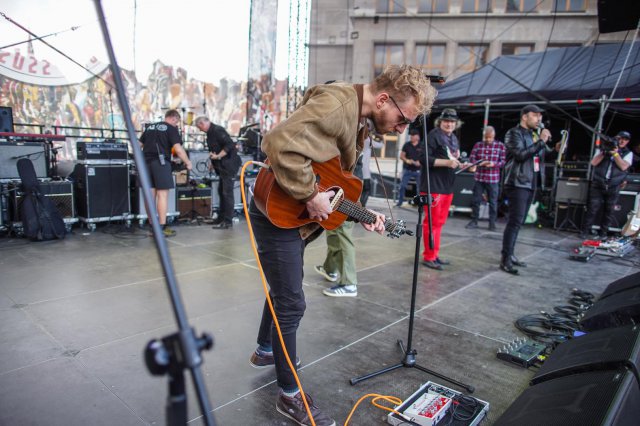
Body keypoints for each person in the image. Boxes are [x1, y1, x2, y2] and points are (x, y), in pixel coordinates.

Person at [248, 65, 436, 426]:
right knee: (291, 301)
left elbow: (329, 176)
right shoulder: (339, 104)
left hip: (291, 215)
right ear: (383, 99)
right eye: (401, 119)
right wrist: (309, 194)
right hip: (277, 208)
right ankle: (289, 397)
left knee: (283, 289)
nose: (401, 129)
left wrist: (362, 213)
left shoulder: (359, 118)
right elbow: (277, 144)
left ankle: (266, 349)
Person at [500, 105, 551, 275]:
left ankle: (511, 254)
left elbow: (541, 153)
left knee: (519, 221)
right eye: (535, 116)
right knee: (514, 221)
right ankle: (505, 259)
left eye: (540, 116)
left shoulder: (533, 134)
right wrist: (541, 141)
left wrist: (554, 147)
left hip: (530, 182)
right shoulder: (514, 133)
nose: (539, 119)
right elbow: (521, 155)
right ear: (524, 117)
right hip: (517, 182)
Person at [419, 108, 462, 271]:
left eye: (452, 121)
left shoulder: (453, 138)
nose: (449, 124)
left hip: (447, 186)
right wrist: (447, 163)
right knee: (431, 223)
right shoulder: (433, 135)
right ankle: (429, 256)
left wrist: (463, 164)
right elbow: (423, 159)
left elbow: (454, 159)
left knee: (439, 223)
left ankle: (434, 254)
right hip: (433, 186)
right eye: (446, 121)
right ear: (441, 121)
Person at [139, 109, 192, 237]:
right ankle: (161, 228)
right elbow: (178, 149)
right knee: (162, 195)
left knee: (150, 196)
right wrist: (187, 162)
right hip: (161, 163)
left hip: (145, 164)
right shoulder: (171, 128)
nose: (176, 125)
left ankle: (153, 227)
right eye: (177, 122)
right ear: (174, 118)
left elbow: (139, 144)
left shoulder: (150, 127)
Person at [581, 131, 632, 239]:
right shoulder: (603, 149)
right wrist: (604, 151)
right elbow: (593, 163)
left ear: (628, 142)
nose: (622, 141)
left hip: (614, 185)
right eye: (621, 138)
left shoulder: (628, 153)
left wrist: (615, 153)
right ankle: (585, 231)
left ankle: (603, 233)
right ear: (617, 138)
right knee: (592, 208)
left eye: (626, 139)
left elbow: (623, 166)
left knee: (609, 211)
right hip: (598, 183)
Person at [195, 116, 241, 229]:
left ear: (202, 123)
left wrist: (218, 156)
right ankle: (220, 218)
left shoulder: (217, 130)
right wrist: (212, 162)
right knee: (221, 191)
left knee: (227, 193)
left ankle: (228, 221)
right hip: (221, 166)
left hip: (229, 165)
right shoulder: (209, 133)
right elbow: (214, 148)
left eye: (199, 127)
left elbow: (230, 144)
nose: (199, 130)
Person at [465, 126, 506, 231]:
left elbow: (503, 162)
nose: (488, 140)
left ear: (494, 136)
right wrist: (479, 163)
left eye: (490, 138)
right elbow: (472, 158)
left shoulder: (500, 146)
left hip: (493, 179)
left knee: (493, 202)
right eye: (486, 137)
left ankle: (492, 224)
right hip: (479, 177)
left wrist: (493, 164)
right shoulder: (478, 145)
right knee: (476, 200)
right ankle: (474, 221)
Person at [396, 128, 423, 206]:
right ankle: (400, 202)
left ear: (417, 136)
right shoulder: (407, 145)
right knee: (402, 186)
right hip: (408, 170)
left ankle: (419, 203)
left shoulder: (422, 145)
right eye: (411, 135)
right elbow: (401, 156)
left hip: (418, 170)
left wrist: (420, 162)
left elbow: (426, 157)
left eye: (413, 135)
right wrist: (407, 160)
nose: (411, 137)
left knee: (420, 188)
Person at [359, 125, 385, 206]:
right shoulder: (367, 141)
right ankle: (362, 207)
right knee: (366, 189)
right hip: (365, 171)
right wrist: (381, 137)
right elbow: (381, 145)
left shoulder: (358, 139)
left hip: (357, 169)